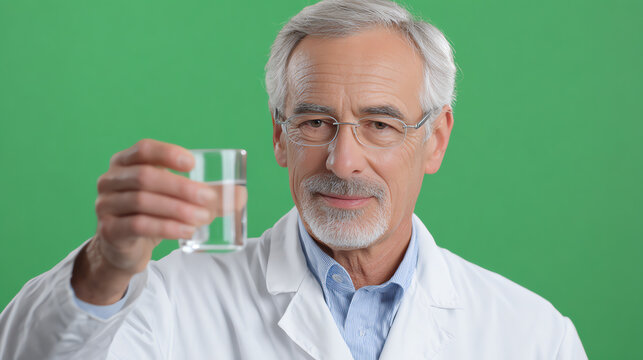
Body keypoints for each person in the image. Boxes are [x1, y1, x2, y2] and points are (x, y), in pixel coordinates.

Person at [0, 0, 587, 359]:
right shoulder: (173, 299)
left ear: (434, 139)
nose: (342, 160)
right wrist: (106, 265)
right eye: (315, 122)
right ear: (280, 137)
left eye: (379, 124)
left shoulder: (531, 336)